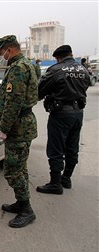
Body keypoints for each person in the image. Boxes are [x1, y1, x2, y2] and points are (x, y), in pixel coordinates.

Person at [0, 35, 38, 228]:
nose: (1, 57)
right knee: (21, 168)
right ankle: (21, 202)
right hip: (23, 125)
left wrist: (4, 129)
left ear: (9, 50)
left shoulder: (18, 68)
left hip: (18, 128)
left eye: (1, 53)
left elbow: (14, 102)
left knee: (12, 170)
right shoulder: (28, 64)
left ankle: (27, 210)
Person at [36, 45, 90, 195]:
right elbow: (85, 87)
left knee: (56, 149)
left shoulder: (56, 70)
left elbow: (40, 91)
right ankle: (66, 178)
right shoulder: (83, 69)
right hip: (78, 113)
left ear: (57, 57)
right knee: (72, 147)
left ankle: (55, 184)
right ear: (71, 55)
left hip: (60, 115)